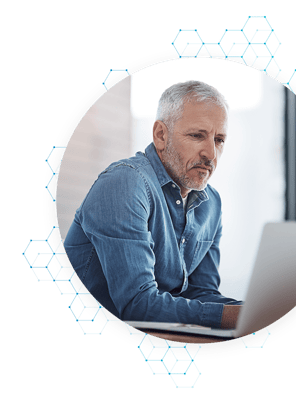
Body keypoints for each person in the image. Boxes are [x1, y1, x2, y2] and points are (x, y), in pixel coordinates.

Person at [64, 80, 242, 330]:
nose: (211, 154)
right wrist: (235, 317)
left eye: (219, 139)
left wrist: (254, 310)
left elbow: (200, 294)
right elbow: (138, 305)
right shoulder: (124, 183)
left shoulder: (210, 203)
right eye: (196, 135)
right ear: (161, 135)